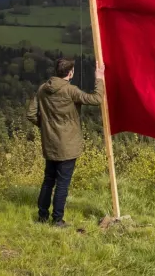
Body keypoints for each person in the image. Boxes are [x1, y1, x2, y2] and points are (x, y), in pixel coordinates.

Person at [27, 58, 105, 226]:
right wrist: (99, 78)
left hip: (49, 143)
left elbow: (31, 114)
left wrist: (46, 126)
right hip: (67, 145)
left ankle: (42, 216)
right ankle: (57, 220)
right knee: (62, 184)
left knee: (48, 180)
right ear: (70, 73)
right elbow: (96, 99)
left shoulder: (42, 89)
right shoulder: (71, 91)